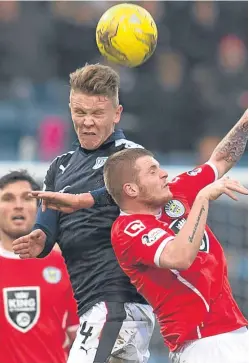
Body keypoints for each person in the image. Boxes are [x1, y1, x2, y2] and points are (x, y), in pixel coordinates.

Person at [12, 64, 155, 363]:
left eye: (97, 113)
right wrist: (39, 238)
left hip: (120, 304)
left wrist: (84, 200)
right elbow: (47, 228)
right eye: (79, 112)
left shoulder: (132, 157)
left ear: (116, 114)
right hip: (92, 307)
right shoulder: (59, 166)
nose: (87, 122)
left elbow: (140, 194)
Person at [101, 111, 248, 363]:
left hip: (233, 329)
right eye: (152, 171)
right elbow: (179, 257)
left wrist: (246, 120)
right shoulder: (127, 230)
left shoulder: (176, 192)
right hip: (200, 343)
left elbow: (221, 160)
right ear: (131, 189)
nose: (164, 174)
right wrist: (203, 198)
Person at [0, 171, 79, 363]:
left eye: (27, 198)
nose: (18, 205)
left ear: (39, 207)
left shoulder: (65, 266)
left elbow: (81, 338)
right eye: (8, 198)